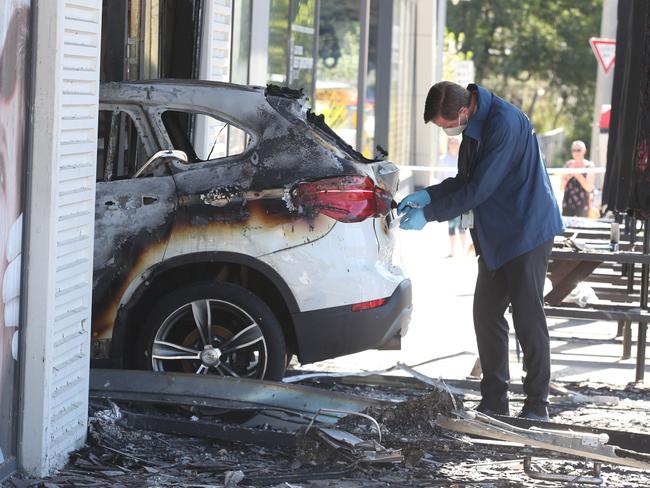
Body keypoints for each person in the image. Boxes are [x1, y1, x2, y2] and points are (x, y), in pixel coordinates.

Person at [398, 81, 564, 421]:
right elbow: (465, 180)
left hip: (527, 228)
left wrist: (429, 215)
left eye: (445, 126)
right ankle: (494, 400)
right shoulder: (474, 126)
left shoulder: (504, 122)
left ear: (462, 111)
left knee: (528, 317)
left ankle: (537, 405)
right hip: (498, 233)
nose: (446, 132)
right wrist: (429, 195)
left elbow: (480, 189)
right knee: (486, 313)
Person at [438, 137, 466, 256]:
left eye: (456, 143)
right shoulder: (443, 160)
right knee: (451, 224)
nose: (453, 145)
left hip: (462, 195)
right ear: (448, 144)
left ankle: (464, 250)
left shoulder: (462, 159)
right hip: (449, 195)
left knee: (462, 224)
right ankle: (452, 251)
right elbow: (440, 178)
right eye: (451, 142)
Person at [560, 140, 595, 217]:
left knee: (582, 228)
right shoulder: (568, 164)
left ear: (584, 151)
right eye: (574, 150)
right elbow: (561, 187)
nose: (576, 153)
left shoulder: (589, 166)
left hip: (583, 205)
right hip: (567, 203)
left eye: (578, 150)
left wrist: (577, 174)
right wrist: (568, 175)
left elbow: (589, 188)